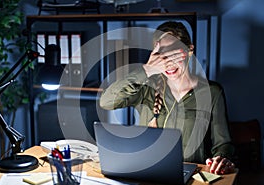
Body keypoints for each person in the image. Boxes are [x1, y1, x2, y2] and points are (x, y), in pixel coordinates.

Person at [99, 21, 235, 175]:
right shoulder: (146, 88)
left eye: (174, 53)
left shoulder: (212, 92)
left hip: (192, 178)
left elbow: (223, 143)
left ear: (189, 50)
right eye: (162, 55)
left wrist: (221, 158)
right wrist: (146, 70)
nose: (168, 63)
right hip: (147, 173)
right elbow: (106, 101)